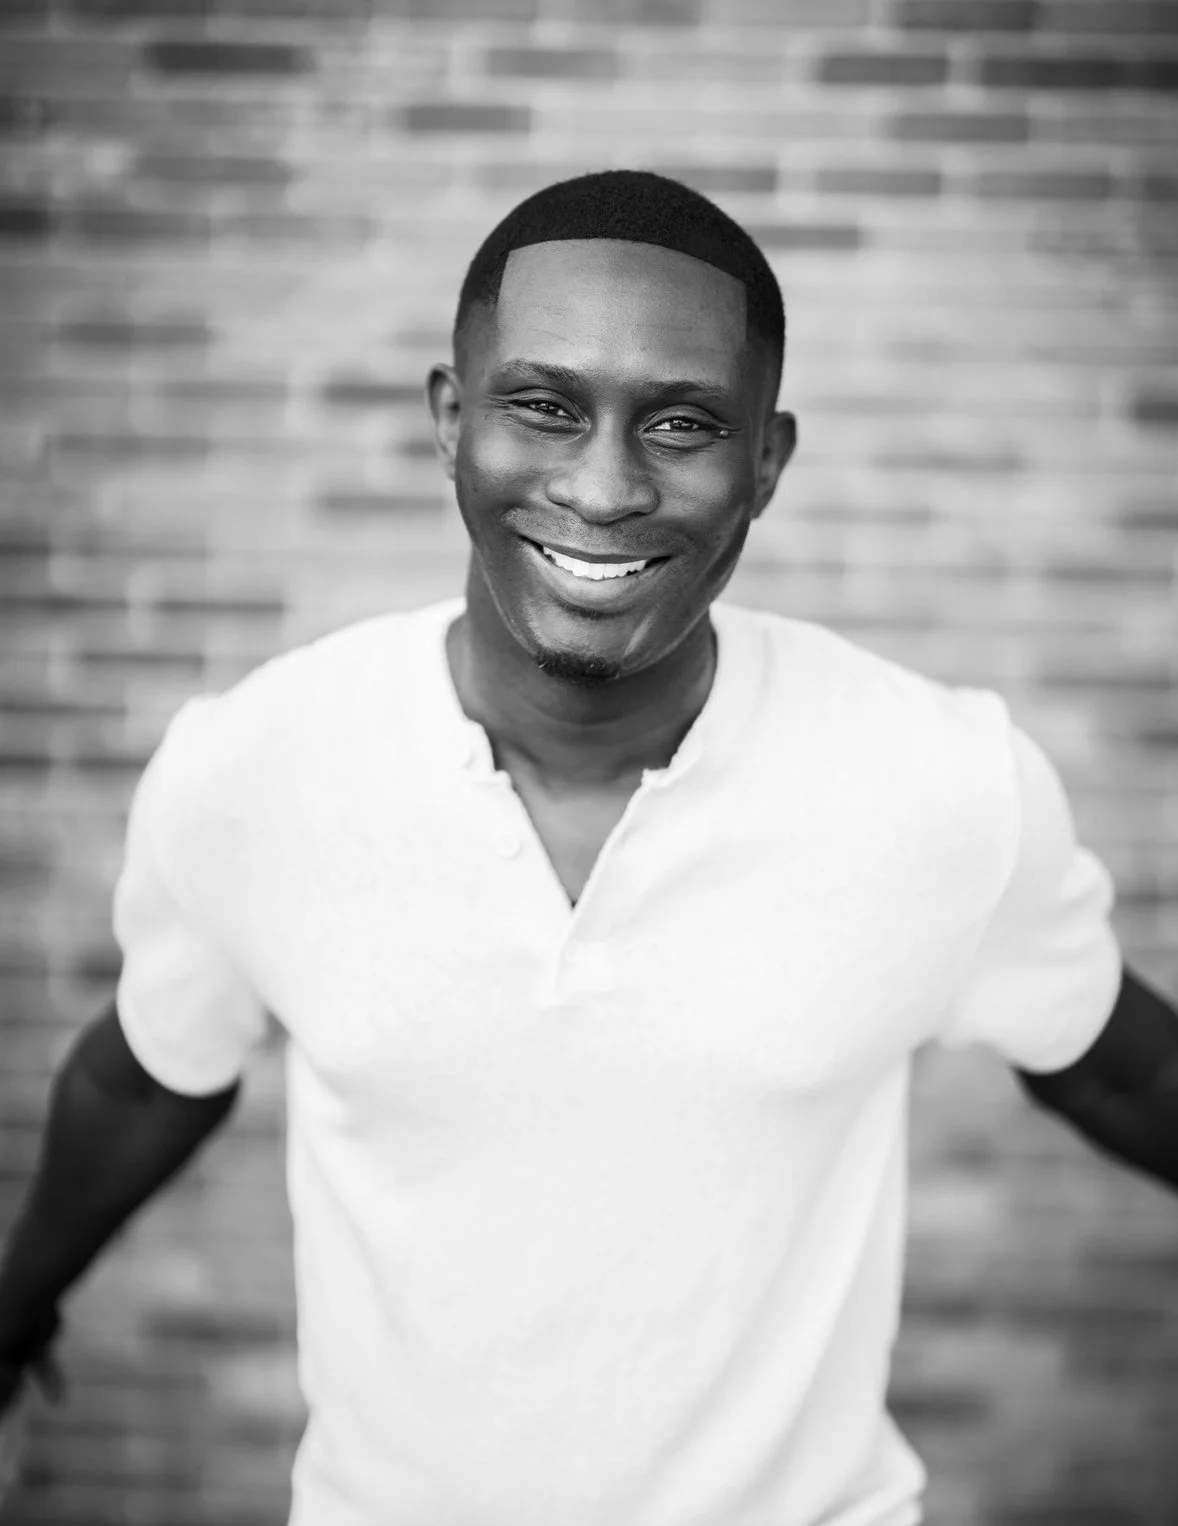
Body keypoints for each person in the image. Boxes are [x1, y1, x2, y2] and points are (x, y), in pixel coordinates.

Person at [0, 168, 1174, 1526]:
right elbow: (147, 1080)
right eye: (542, 405)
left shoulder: (940, 784)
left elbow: (1119, 1069)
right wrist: (16, 1306)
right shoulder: (257, 769)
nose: (603, 486)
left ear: (768, 462)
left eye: (680, 423)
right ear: (451, 421)